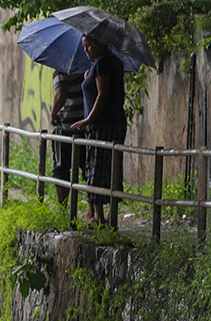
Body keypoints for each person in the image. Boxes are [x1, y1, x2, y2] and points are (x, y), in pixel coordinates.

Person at [71, 35, 126, 225]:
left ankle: (99, 217)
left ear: (101, 43)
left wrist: (89, 119)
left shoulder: (102, 63)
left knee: (96, 168)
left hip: (102, 124)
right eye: (84, 48)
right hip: (114, 122)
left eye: (89, 47)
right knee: (111, 167)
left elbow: (103, 94)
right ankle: (106, 216)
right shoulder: (112, 62)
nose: (87, 51)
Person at [49, 70, 84, 204]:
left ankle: (62, 208)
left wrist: (53, 115)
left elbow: (61, 94)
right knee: (87, 168)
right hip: (85, 126)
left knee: (61, 168)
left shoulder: (61, 72)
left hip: (66, 127)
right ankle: (92, 211)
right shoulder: (87, 69)